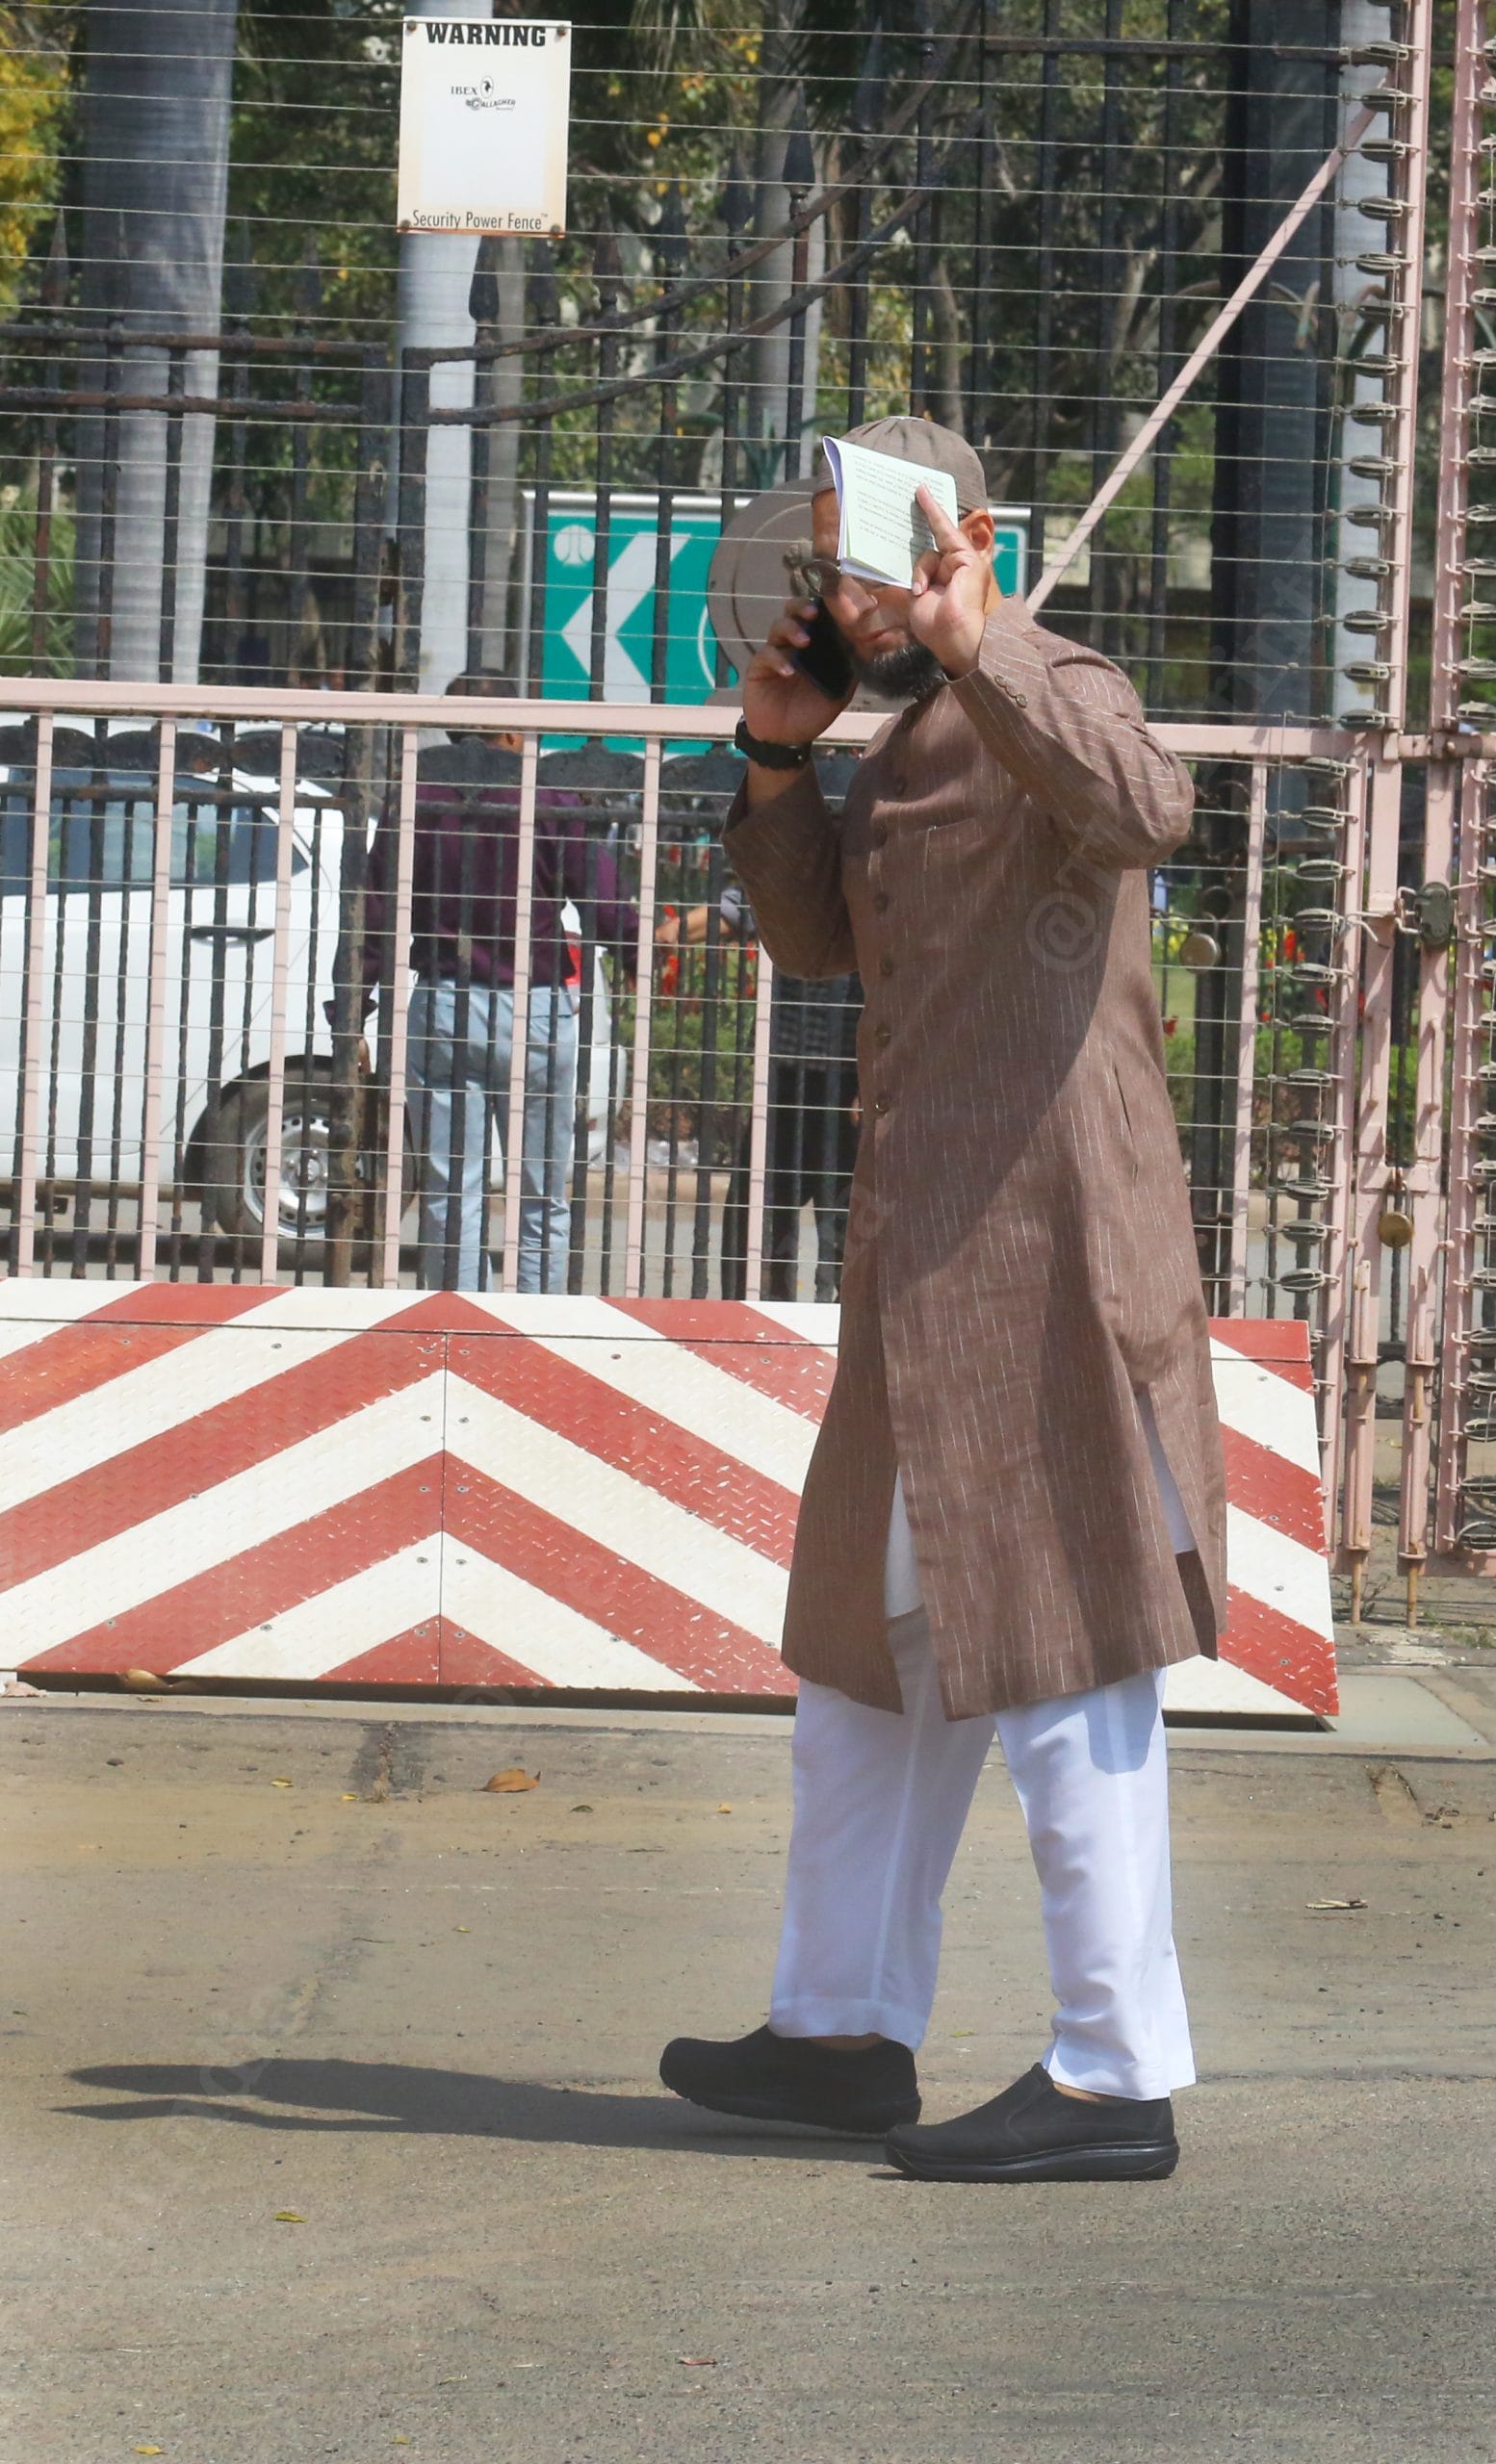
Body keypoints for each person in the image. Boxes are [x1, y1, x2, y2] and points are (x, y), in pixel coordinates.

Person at [658, 416, 1227, 2184]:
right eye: (827, 559)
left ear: (961, 536)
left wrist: (980, 649)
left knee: (1068, 1664)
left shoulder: (1043, 677)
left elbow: (1149, 807)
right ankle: (837, 2034)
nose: (842, 589)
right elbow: (828, 943)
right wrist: (771, 766)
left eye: (867, 553)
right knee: (872, 1666)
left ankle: (1113, 2075)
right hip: (926, 1278)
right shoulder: (897, 733)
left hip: (1051, 1262)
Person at [352, 672, 638, 1292]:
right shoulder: (549, 797)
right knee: (542, 1195)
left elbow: (375, 912)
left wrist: (352, 1009)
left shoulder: (417, 797)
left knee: (452, 1194)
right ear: (511, 729)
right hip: (534, 1008)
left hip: (444, 1003)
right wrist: (640, 955)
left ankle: (460, 1327)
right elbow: (604, 904)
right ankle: (537, 1324)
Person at [661, 883, 861, 1300]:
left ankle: (848, 1342)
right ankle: (759, 1339)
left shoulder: (875, 864)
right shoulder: (798, 865)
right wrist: (668, 935)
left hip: (854, 1083)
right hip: (786, 1077)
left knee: (854, 1235)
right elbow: (739, 908)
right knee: (754, 1230)